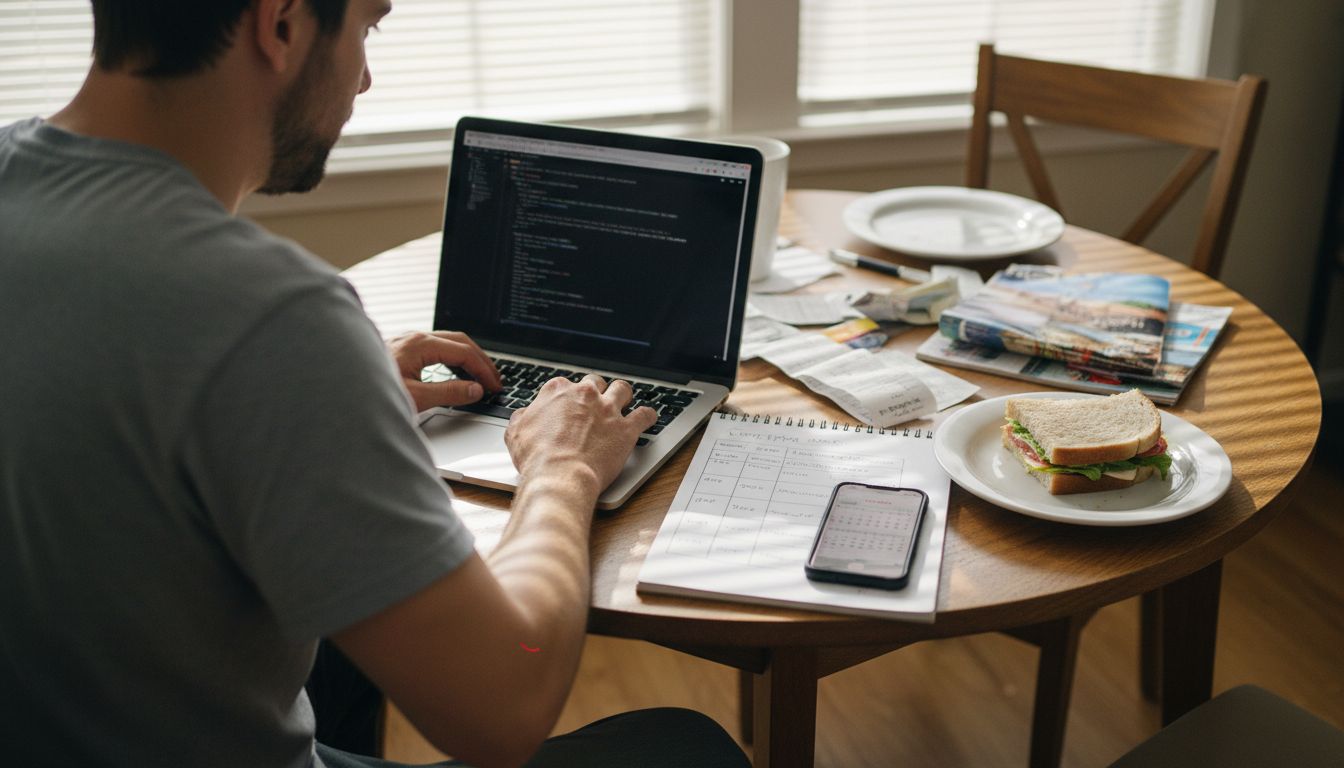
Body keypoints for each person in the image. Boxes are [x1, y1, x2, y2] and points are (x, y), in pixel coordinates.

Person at [0, 2, 751, 767]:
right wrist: (565, 469)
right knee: (690, 748)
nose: (363, 75)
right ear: (282, 24)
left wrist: (319, 406)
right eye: (368, 25)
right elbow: (504, 709)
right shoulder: (271, 316)